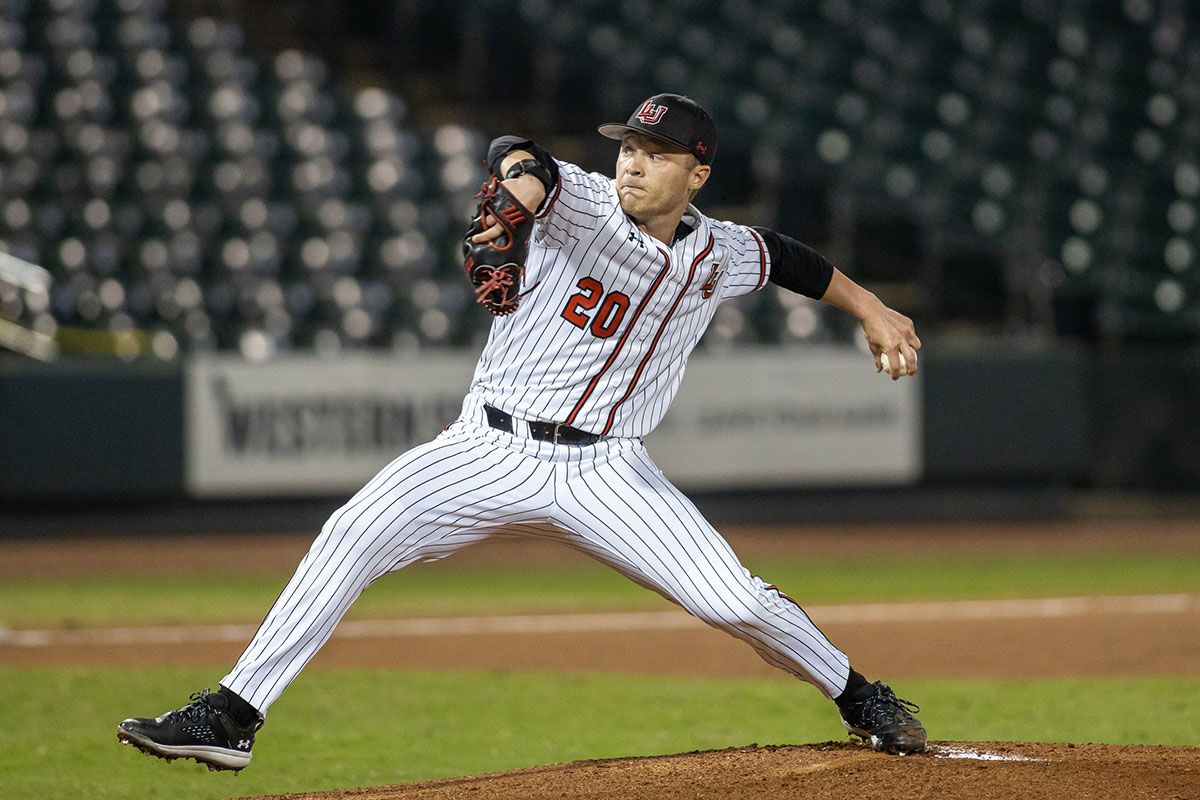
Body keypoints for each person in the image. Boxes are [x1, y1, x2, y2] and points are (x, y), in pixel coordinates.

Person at [117, 93, 926, 772]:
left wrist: (872, 309)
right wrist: (515, 204)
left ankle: (861, 696)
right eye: (630, 147)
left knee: (737, 601)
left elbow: (788, 259)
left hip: (609, 471)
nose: (634, 163)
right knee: (352, 532)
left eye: (656, 151)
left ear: (698, 171)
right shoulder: (583, 202)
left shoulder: (718, 252)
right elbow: (522, 157)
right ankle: (231, 717)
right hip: (489, 447)